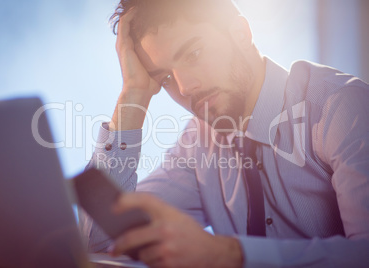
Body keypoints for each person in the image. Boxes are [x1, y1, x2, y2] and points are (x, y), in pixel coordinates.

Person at [79, 0, 369, 267]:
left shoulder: (341, 106)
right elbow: (100, 242)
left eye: (193, 53)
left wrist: (228, 255)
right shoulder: (198, 143)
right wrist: (134, 94)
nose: (184, 88)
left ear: (240, 32)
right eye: (164, 78)